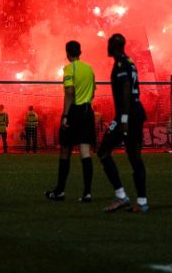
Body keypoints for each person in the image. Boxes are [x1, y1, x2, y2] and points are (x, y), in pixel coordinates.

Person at [98, 33, 149, 213]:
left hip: (127, 114)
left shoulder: (120, 63)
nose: (107, 47)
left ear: (114, 46)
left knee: (103, 151)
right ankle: (142, 202)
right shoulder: (130, 61)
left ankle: (121, 196)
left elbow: (126, 89)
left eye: (109, 44)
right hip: (136, 110)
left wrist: (124, 119)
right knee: (134, 157)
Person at [46, 40, 96, 203]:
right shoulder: (89, 69)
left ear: (67, 53)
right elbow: (93, 91)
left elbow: (69, 92)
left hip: (74, 111)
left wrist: (65, 115)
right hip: (88, 111)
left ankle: (60, 191)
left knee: (65, 149)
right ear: (80, 52)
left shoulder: (69, 68)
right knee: (85, 152)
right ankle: (87, 193)